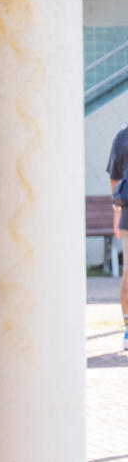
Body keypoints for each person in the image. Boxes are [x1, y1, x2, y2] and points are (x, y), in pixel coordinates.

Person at [107, 124, 128, 350]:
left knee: (127, 273)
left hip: (127, 213)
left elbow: (114, 180)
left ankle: (127, 330)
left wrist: (117, 210)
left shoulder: (122, 136)